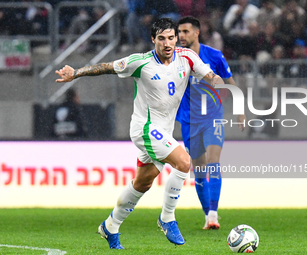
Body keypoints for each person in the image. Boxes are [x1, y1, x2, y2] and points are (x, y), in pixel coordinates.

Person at [55, 18, 224, 249]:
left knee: (142, 183)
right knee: (184, 162)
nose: (167, 43)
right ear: (153, 39)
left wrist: (215, 80)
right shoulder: (141, 62)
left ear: (176, 38)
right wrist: (76, 73)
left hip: (163, 131)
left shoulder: (187, 57)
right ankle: (167, 217)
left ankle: (110, 226)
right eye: (162, 38)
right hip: (144, 128)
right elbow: (106, 67)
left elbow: (208, 74)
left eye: (171, 38)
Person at [176, 16, 246, 230]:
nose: (181, 36)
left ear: (197, 33)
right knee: (198, 169)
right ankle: (208, 215)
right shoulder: (176, 59)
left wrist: (240, 111)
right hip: (189, 120)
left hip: (212, 116)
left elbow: (231, 83)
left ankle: (214, 214)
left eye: (186, 32)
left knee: (214, 160)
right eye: (179, 32)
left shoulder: (214, 56)